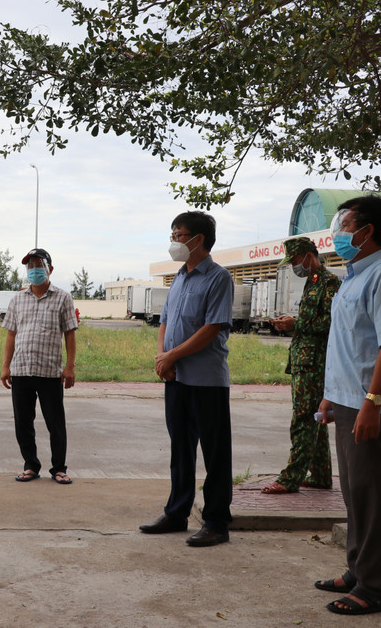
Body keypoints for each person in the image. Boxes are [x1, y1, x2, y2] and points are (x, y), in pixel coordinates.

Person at [314, 196, 381, 616]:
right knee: (355, 492)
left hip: (369, 403)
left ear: (367, 230)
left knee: (372, 494)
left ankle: (374, 588)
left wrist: (373, 402)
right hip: (347, 399)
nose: (338, 231)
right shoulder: (354, 276)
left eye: (345, 223)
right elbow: (347, 345)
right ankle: (357, 569)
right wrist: (331, 394)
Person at [140, 211, 234, 547]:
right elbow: (164, 321)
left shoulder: (218, 278)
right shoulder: (178, 278)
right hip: (176, 378)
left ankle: (217, 522)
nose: (173, 242)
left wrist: (173, 355)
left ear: (199, 240)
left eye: (179, 235)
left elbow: (211, 328)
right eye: (173, 234)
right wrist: (163, 357)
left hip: (206, 381)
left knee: (215, 453)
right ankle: (176, 512)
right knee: (181, 449)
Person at [261, 237, 339, 494]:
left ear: (308, 255)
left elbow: (331, 323)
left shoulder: (330, 282)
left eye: (295, 260)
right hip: (304, 360)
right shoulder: (313, 281)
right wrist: (292, 321)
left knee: (303, 420)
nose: (294, 266)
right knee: (315, 419)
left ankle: (290, 478)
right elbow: (312, 319)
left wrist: (297, 325)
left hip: (315, 363)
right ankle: (320, 475)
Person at [0, 247, 78, 485]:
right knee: (23, 422)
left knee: (56, 422)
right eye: (30, 266)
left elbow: (70, 335)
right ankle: (31, 465)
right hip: (21, 370)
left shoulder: (63, 298)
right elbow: (11, 335)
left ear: (49, 269)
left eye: (38, 265)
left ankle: (59, 468)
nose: (34, 270)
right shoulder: (17, 300)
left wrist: (70, 367)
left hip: (50, 371)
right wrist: (6, 367)